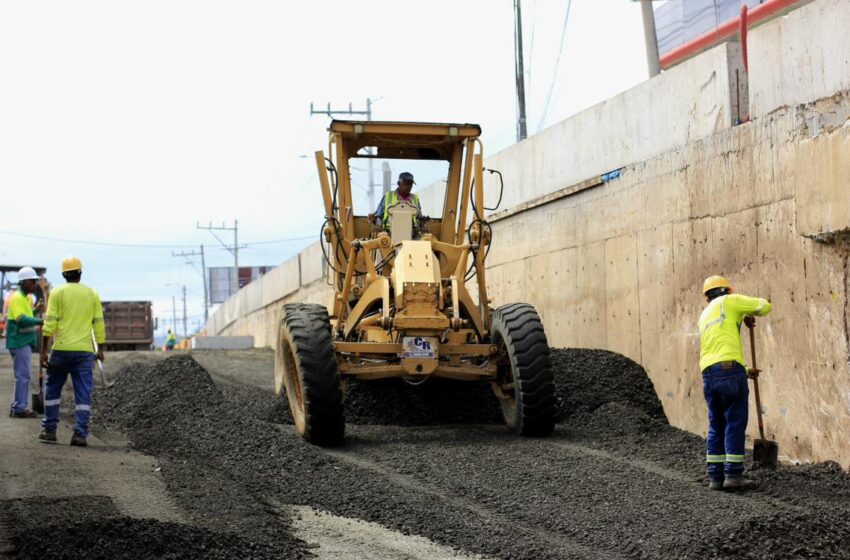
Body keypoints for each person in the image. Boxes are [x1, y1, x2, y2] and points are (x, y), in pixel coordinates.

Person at [698, 275, 772, 490]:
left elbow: (719, 345)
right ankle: (733, 475)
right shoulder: (729, 302)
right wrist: (747, 311)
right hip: (730, 371)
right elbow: (764, 306)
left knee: (717, 423)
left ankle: (715, 477)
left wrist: (745, 370)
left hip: (709, 373)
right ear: (727, 291)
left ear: (707, 297)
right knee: (735, 421)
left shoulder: (704, 315)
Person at [38, 256, 105, 447]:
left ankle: (49, 430)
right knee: (83, 393)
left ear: (63, 274)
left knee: (52, 389)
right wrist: (100, 348)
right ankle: (80, 434)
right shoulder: (92, 294)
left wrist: (44, 351)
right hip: (84, 352)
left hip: (61, 350)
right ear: (80, 274)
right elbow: (98, 323)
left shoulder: (57, 293)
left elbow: (49, 323)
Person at [6, 267, 43, 418]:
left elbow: (25, 315)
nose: (35, 285)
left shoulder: (23, 299)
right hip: (20, 343)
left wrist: (35, 310)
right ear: (25, 282)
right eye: (33, 282)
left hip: (22, 342)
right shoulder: (18, 298)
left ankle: (17, 406)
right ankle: (20, 408)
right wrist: (41, 321)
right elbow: (21, 321)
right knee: (23, 376)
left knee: (22, 375)